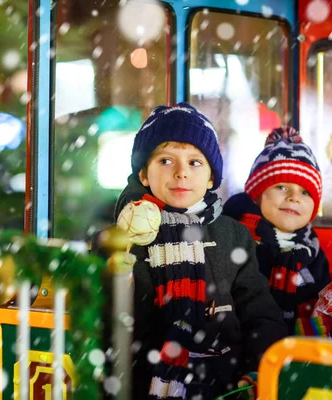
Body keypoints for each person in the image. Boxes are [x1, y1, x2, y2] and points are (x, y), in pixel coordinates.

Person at [114, 103, 286, 399]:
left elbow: (259, 311)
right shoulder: (127, 235)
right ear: (143, 174)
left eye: (195, 162)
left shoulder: (233, 234)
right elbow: (117, 321)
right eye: (166, 161)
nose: (182, 173)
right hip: (147, 383)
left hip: (227, 383)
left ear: (210, 178)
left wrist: (259, 368)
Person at [223, 126, 332, 337]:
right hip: (243, 353)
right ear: (257, 195)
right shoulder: (236, 240)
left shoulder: (312, 250)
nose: (294, 197)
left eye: (305, 192)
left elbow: (323, 300)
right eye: (282, 187)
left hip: (299, 354)